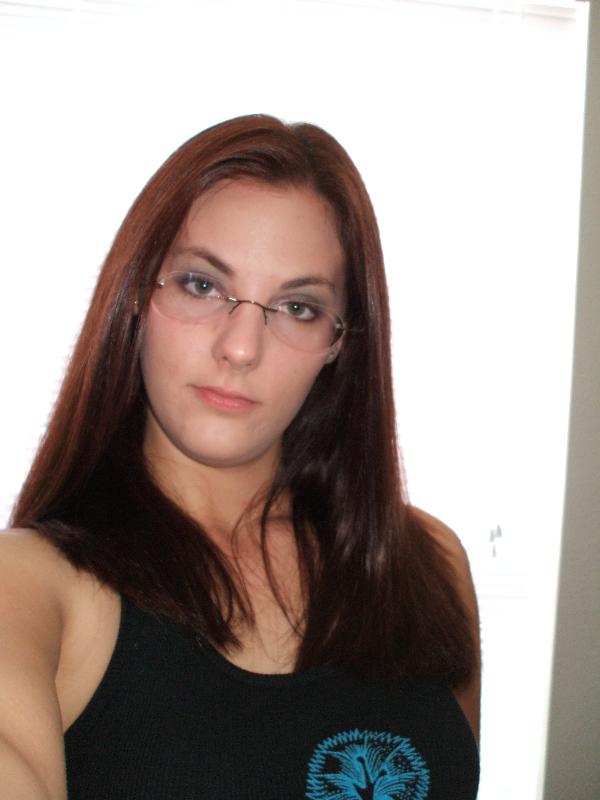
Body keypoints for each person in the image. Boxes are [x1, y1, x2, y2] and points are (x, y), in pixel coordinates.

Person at [0, 114, 480, 800]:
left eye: (297, 307)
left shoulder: (428, 563)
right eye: (201, 285)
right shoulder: (30, 587)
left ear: (339, 342)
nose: (241, 347)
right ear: (136, 293)